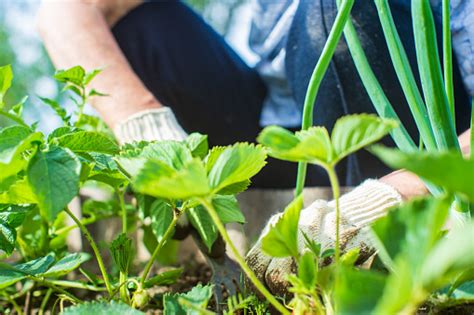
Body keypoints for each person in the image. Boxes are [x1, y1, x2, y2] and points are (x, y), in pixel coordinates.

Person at [37, 0, 472, 294]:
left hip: (425, 141)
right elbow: (63, 10)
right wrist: (146, 127)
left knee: (339, 13)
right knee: (146, 24)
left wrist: (399, 192)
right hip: (280, 130)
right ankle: (221, 253)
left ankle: (382, 254)